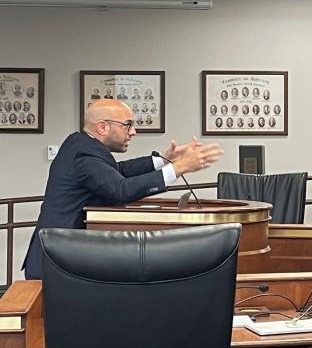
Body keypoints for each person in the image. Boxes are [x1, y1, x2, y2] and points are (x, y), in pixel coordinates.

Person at [21, 99, 223, 280]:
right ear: (102, 127)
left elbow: (117, 171)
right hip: (57, 263)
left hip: (59, 257)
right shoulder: (84, 156)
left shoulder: (81, 144)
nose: (133, 131)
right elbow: (121, 189)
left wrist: (163, 159)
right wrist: (180, 168)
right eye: (128, 125)